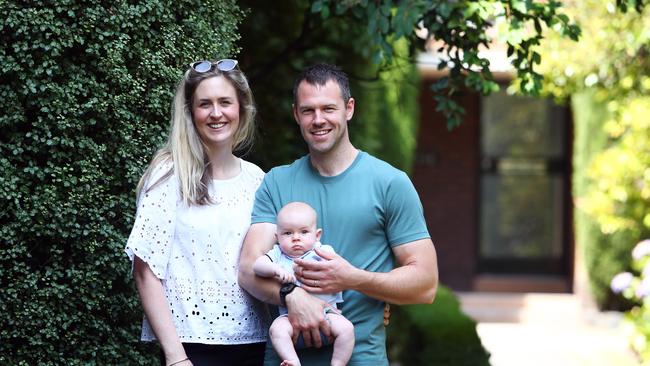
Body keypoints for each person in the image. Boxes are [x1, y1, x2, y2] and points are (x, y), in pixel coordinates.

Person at [238, 63, 439, 365]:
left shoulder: (390, 183)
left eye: (328, 109)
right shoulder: (276, 182)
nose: (318, 120)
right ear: (296, 114)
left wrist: (354, 279)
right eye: (308, 111)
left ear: (349, 109)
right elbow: (248, 271)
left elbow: (426, 284)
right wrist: (292, 296)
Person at [124, 59, 270, 366]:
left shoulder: (257, 179)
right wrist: (176, 358)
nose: (216, 113)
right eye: (205, 104)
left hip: (258, 345)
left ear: (241, 108)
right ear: (191, 112)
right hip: (192, 349)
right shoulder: (168, 175)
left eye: (225, 102)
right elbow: (145, 271)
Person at [253, 201, 354, 366]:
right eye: (287, 233)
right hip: (290, 317)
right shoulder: (278, 254)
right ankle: (293, 361)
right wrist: (275, 270)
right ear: (277, 237)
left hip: (327, 314)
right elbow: (257, 266)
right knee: (276, 330)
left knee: (347, 329)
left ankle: (338, 363)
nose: (296, 238)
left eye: (304, 232)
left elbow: (341, 272)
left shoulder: (322, 251)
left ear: (317, 235)